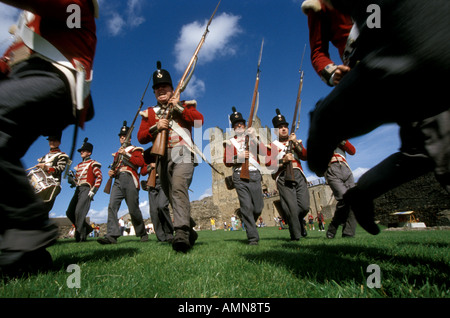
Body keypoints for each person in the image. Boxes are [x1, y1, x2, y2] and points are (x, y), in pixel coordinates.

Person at [306, 0, 450, 234]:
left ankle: (362, 192)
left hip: (418, 35)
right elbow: (318, 52)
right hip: (368, 61)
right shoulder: (320, 6)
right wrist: (333, 72)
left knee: (423, 152)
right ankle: (325, 122)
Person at [0, 0, 98, 278]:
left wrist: (87, 187)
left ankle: (30, 230)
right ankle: (28, 253)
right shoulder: (27, 23)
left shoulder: (76, 6)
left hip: (55, 77)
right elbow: (9, 60)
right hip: (21, 80)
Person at [137, 61, 204, 253]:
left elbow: (199, 121)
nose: (161, 90)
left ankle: (181, 233)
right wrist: (155, 127)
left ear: (172, 89)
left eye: (164, 87)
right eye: (157, 88)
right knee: (171, 193)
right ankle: (189, 229)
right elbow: (141, 137)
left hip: (183, 152)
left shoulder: (184, 105)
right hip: (162, 158)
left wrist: (179, 108)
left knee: (178, 188)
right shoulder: (149, 113)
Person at [98, 122, 148, 244]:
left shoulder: (135, 150)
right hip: (118, 180)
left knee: (133, 208)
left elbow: (140, 162)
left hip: (130, 178)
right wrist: (112, 173)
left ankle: (142, 233)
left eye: (125, 136)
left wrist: (126, 154)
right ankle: (112, 235)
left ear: (129, 138)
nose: (122, 138)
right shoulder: (117, 154)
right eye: (121, 136)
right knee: (112, 206)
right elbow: (116, 167)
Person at [223, 107, 265, 245]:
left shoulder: (252, 138)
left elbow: (265, 152)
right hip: (239, 175)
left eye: (241, 123)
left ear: (245, 125)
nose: (239, 126)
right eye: (236, 124)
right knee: (246, 206)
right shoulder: (230, 142)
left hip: (254, 173)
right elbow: (227, 161)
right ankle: (253, 238)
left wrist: (254, 137)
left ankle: (248, 221)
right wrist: (238, 157)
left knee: (258, 207)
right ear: (233, 128)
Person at [265, 109, 309, 241]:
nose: (283, 129)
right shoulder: (272, 146)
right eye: (280, 127)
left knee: (304, 206)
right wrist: (283, 161)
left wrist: (295, 142)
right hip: (283, 176)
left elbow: (305, 156)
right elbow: (268, 164)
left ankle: (300, 221)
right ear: (275, 131)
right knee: (291, 207)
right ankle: (295, 236)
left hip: (298, 173)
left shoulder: (296, 142)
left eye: (285, 126)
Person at [66, 138, 102, 242]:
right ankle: (87, 228)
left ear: (89, 152)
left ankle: (80, 236)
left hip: (87, 189)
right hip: (78, 189)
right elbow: (77, 181)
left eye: (84, 150)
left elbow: (99, 177)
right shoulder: (79, 166)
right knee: (69, 212)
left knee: (79, 212)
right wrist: (71, 180)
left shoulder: (92, 163)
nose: (81, 152)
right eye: (81, 151)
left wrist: (94, 190)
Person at [324, 140, 357, 238]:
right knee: (344, 198)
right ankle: (334, 225)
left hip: (345, 168)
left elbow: (352, 151)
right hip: (331, 169)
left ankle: (348, 233)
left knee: (354, 201)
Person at [141, 151, 174, 243]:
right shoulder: (147, 154)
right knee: (154, 212)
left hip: (164, 180)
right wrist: (150, 166)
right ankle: (161, 237)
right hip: (152, 184)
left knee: (162, 206)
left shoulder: (165, 151)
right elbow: (142, 171)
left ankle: (169, 233)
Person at [34, 133, 70, 213]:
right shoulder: (45, 157)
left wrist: (46, 168)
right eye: (50, 141)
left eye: (54, 141)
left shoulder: (62, 156)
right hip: (42, 184)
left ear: (59, 143)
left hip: (52, 185)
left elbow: (60, 169)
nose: (52, 142)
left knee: (44, 209)